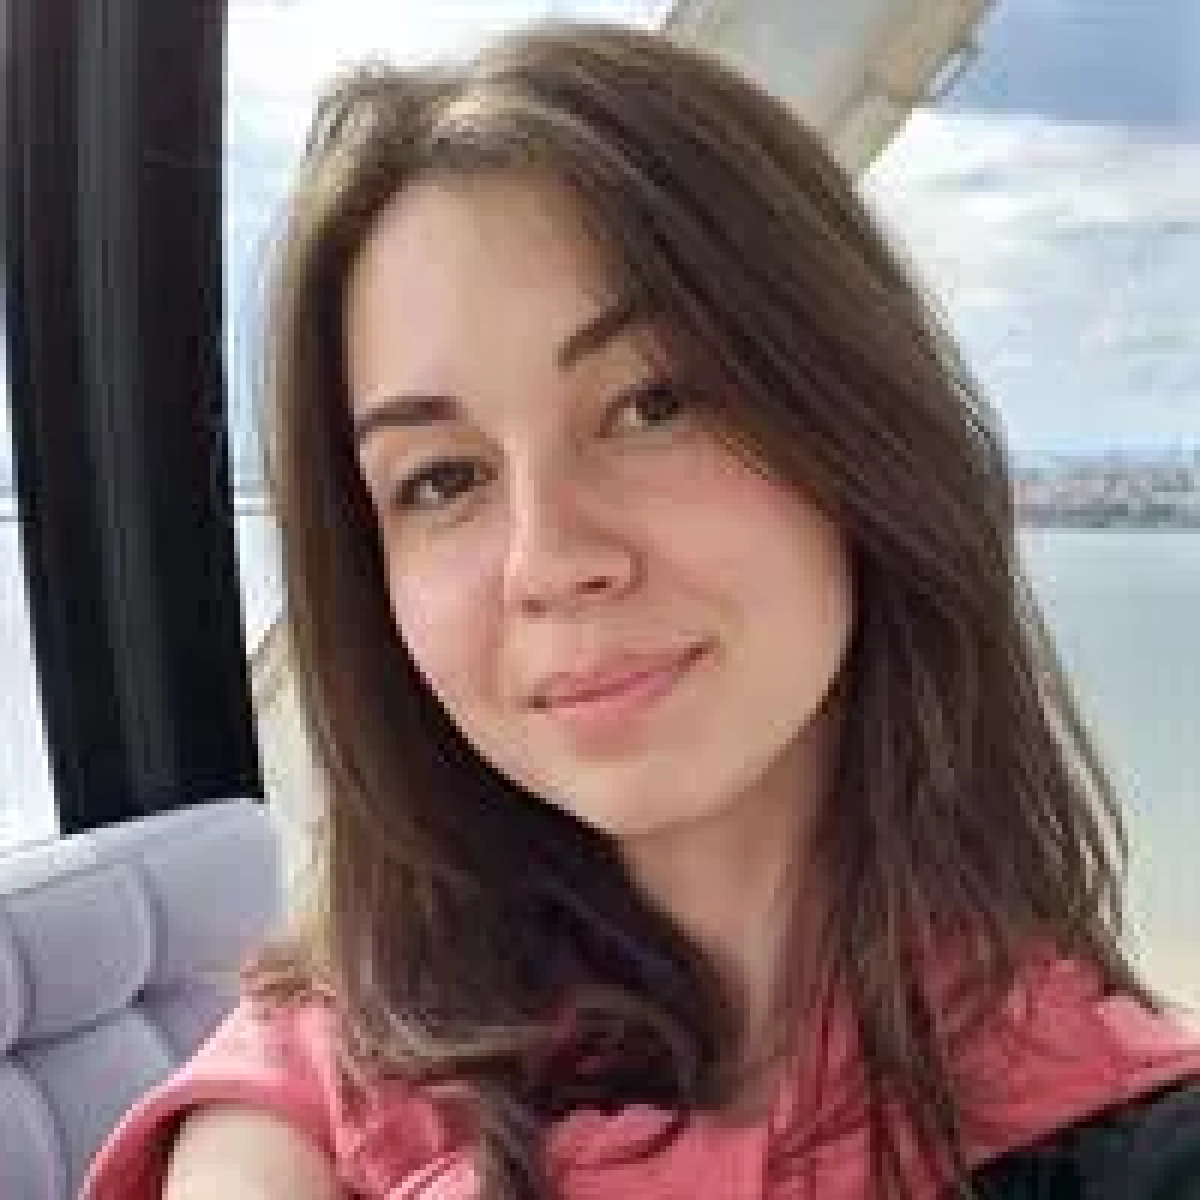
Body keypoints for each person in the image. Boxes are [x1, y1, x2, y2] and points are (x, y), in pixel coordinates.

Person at [81, 20, 1200, 1200]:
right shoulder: (347, 1051)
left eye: (653, 404)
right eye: (443, 479)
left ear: (857, 420)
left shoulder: (1127, 1143)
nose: (548, 560)